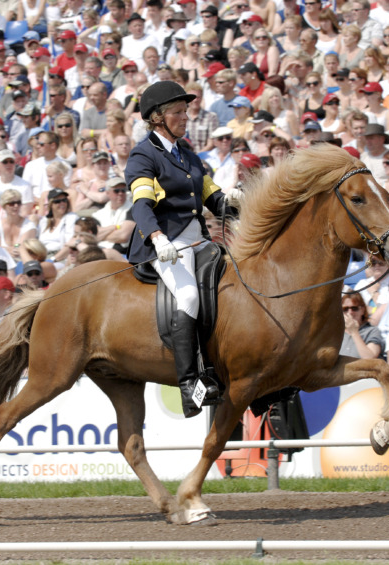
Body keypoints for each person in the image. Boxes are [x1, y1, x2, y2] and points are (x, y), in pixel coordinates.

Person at [124, 81, 240, 418]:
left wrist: (234, 201)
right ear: (157, 118)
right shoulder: (143, 155)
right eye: (178, 111)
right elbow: (142, 204)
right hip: (166, 242)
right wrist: (157, 238)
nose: (185, 116)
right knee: (188, 296)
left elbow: (211, 196)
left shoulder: (187, 153)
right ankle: (190, 384)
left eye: (186, 110)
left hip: (199, 239)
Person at [338, 292, 384, 360]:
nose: (350, 312)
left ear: (362, 310)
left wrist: (354, 332)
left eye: (354, 308)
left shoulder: (372, 331)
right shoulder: (336, 334)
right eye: (345, 309)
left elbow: (370, 358)